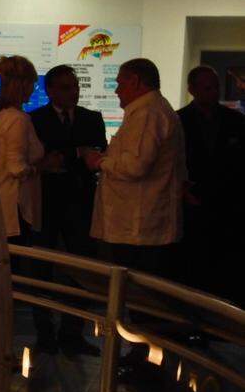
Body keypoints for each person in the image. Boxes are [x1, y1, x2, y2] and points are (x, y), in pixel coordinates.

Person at [30, 65, 107, 355]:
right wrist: (76, 152)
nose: (73, 92)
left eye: (75, 86)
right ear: (49, 90)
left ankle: (73, 333)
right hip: (46, 202)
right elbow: (41, 157)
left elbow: (97, 153)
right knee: (40, 268)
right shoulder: (35, 119)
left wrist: (65, 156)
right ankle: (44, 333)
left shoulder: (91, 118)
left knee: (82, 268)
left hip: (80, 202)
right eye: (65, 87)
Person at [84, 58, 185, 276]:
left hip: (138, 228)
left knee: (136, 289)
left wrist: (100, 161)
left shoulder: (147, 114)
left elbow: (135, 166)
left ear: (136, 82)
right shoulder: (153, 110)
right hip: (140, 226)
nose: (117, 91)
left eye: (120, 83)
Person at [178, 65, 245, 304]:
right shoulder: (178, 120)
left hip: (229, 205)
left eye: (216, 87)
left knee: (226, 264)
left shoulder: (236, 121)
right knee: (193, 263)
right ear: (192, 89)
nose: (214, 92)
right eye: (207, 87)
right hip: (192, 202)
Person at [0, 56, 50, 244]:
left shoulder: (0, 117)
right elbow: (16, 168)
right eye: (32, 84)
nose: (33, 89)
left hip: (2, 202)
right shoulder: (18, 119)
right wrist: (43, 166)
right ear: (23, 85)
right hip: (15, 207)